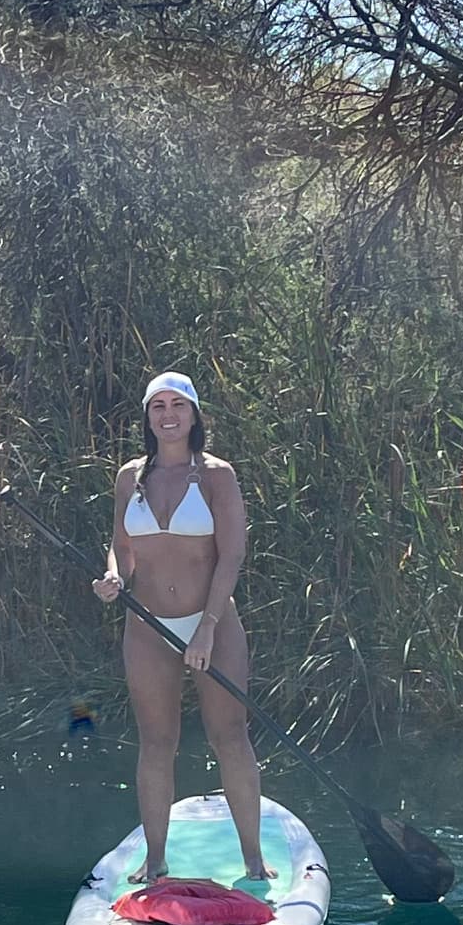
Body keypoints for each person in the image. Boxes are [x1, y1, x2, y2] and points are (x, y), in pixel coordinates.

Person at [92, 371, 269, 884]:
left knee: (229, 736)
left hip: (210, 622)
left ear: (194, 414)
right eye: (157, 407)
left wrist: (208, 627)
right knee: (156, 740)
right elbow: (122, 548)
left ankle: (254, 860)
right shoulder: (131, 476)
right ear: (148, 417)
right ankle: (156, 860)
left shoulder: (217, 475)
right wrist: (113, 577)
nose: (167, 415)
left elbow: (232, 554)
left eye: (177, 405)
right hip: (147, 627)